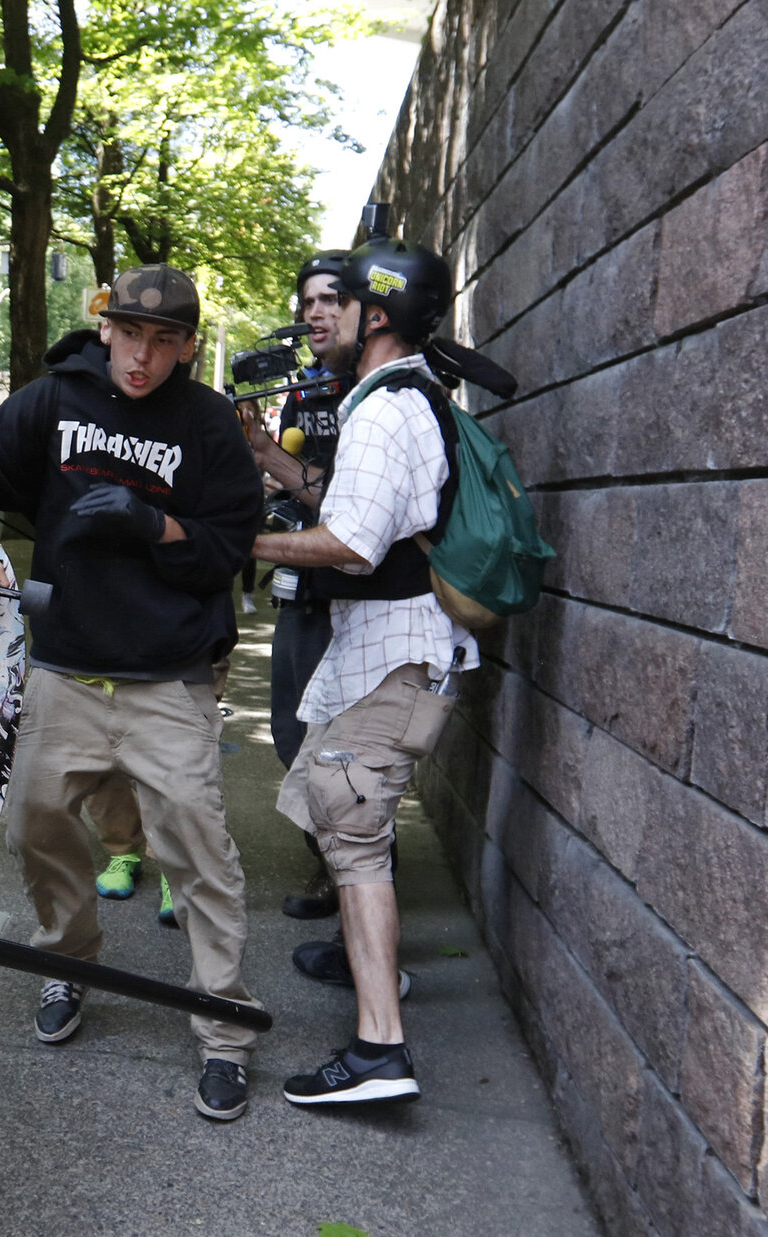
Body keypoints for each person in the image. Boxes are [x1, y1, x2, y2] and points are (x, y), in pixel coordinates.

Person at [0, 264, 264, 1121]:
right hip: (66, 668)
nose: (142, 357)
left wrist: (158, 525)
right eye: (131, 335)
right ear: (106, 327)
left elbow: (233, 543)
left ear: (185, 346)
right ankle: (68, 962)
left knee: (197, 847)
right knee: (33, 821)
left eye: (165, 341)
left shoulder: (208, 423)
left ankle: (222, 1026)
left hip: (167, 678)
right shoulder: (57, 401)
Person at [252, 238, 471, 1108]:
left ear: (375, 315)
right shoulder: (408, 396)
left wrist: (239, 542)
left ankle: (382, 1049)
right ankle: (378, 987)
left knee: (354, 839)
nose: (320, 316)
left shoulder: (384, 410)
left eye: (338, 303)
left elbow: (350, 545)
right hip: (394, 655)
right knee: (348, 832)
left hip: (397, 657)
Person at [244, 251, 349, 920]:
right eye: (307, 300)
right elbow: (297, 481)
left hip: (359, 597)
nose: (315, 311)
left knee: (341, 750)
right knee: (291, 734)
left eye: (331, 299)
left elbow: (349, 510)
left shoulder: (376, 393)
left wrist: (274, 462)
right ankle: (333, 865)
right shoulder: (307, 386)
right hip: (302, 588)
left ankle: (354, 879)